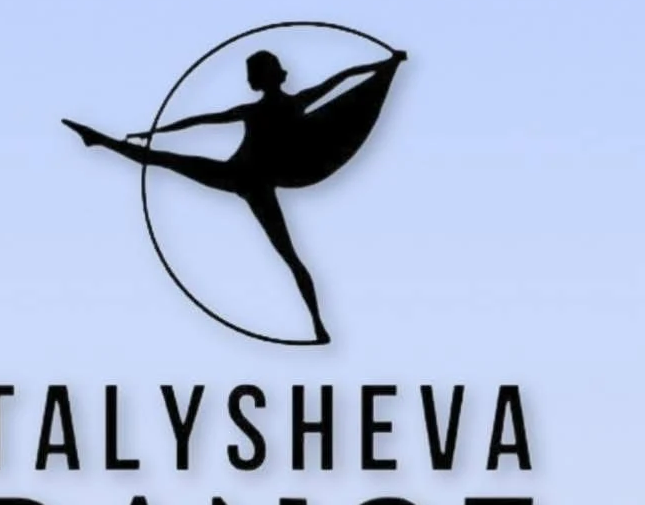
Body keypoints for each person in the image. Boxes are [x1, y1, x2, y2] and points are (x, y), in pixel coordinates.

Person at [64, 46, 407, 344]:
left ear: (263, 78)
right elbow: (201, 121)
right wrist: (153, 131)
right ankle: (100, 141)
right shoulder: (264, 108)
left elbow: (341, 79)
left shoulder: (279, 106)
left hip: (252, 181)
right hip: (241, 177)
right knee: (166, 160)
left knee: (288, 254)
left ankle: (318, 325)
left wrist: (388, 65)